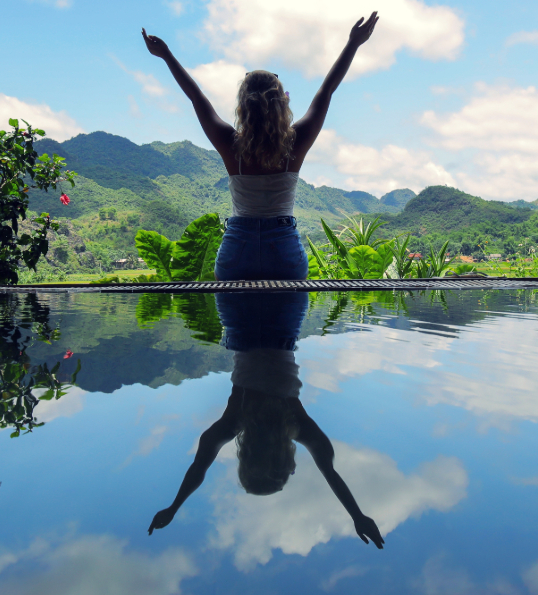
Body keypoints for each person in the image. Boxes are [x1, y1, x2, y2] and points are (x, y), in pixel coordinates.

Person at [142, 13, 380, 280]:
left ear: (243, 106)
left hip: (237, 249)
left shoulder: (230, 144)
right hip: (283, 250)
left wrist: (166, 55)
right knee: (285, 324)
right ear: (281, 104)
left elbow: (196, 96)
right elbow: (327, 90)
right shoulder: (296, 142)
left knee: (236, 324)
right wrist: (353, 44)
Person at [147, 292, 385, 550]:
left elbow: (329, 472)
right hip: (240, 319)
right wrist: (173, 507)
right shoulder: (235, 422)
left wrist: (357, 515)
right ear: (245, 458)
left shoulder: (295, 425)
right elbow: (199, 467)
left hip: (285, 317)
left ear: (285, 462)